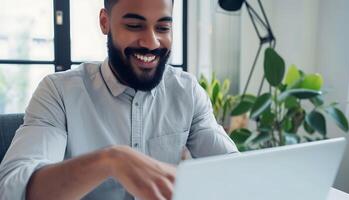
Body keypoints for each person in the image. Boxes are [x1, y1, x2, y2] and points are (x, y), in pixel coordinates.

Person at [0, 0, 238, 199]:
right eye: (135, 25)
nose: (152, 42)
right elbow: (12, 189)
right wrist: (111, 160)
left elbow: (235, 171)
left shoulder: (187, 90)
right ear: (105, 22)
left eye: (163, 28)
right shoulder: (59, 91)